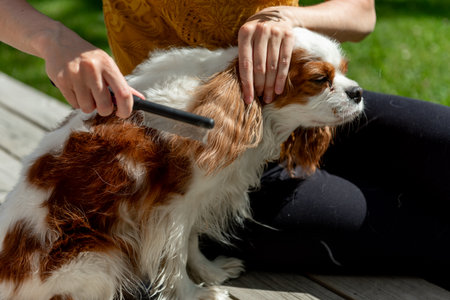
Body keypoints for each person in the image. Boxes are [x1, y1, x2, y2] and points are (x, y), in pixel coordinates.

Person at [1, 0, 449, 289]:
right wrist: (52, 38)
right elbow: (174, 200)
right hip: (195, 139)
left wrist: (288, 17)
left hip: (300, 110)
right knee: (427, 232)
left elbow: (363, 12)